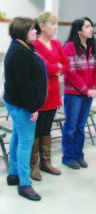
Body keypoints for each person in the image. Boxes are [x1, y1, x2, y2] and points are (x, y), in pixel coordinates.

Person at [4, 17, 47, 201]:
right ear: (22, 31)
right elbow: (24, 85)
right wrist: (32, 108)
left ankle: (14, 174)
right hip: (22, 104)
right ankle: (24, 184)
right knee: (25, 143)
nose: (36, 31)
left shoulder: (22, 47)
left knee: (17, 136)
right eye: (32, 29)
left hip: (16, 102)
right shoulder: (20, 52)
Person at [30, 11, 70, 181]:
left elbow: (67, 65)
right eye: (53, 24)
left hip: (54, 94)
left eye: (56, 24)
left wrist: (54, 68)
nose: (56, 27)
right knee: (36, 131)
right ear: (42, 26)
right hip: (40, 96)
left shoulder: (56, 43)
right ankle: (33, 165)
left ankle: (45, 162)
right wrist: (56, 68)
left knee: (47, 130)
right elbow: (41, 68)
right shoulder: (34, 45)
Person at [62, 17, 96, 169]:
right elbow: (70, 72)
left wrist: (95, 88)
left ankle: (79, 155)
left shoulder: (93, 47)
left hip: (89, 93)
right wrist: (86, 89)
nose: (91, 29)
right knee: (71, 127)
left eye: (91, 26)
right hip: (74, 94)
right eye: (87, 26)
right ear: (79, 31)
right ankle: (68, 157)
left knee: (80, 126)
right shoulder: (69, 47)